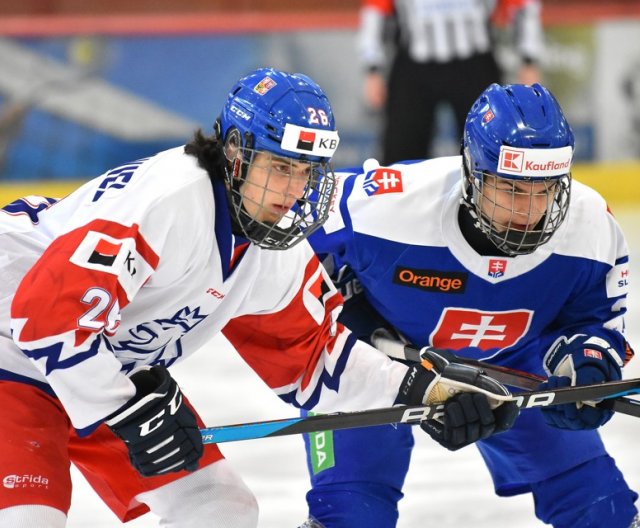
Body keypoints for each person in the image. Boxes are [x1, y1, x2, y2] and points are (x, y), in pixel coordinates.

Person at [0, 67, 518, 528]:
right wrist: (126, 411)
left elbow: (316, 360)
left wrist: (425, 394)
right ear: (234, 153)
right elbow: (46, 316)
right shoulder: (173, 201)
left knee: (220, 509)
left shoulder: (272, 247)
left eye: (307, 171)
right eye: (280, 166)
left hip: (101, 372)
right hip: (13, 353)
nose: (294, 189)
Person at [300, 83, 640, 527]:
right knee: (349, 515)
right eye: (512, 190)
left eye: (545, 190)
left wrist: (586, 364)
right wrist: (351, 323)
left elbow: (595, 319)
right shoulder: (385, 206)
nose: (530, 211)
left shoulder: (590, 225)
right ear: (472, 173)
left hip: (514, 364)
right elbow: (286, 261)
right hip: (381, 363)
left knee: (603, 509)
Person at [359, 0, 544, 164]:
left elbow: (524, 7)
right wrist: (372, 69)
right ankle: (403, 201)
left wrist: (529, 60)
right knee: (402, 151)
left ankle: (489, 200)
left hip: (474, 63)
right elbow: (375, 12)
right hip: (414, 65)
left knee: (489, 146)